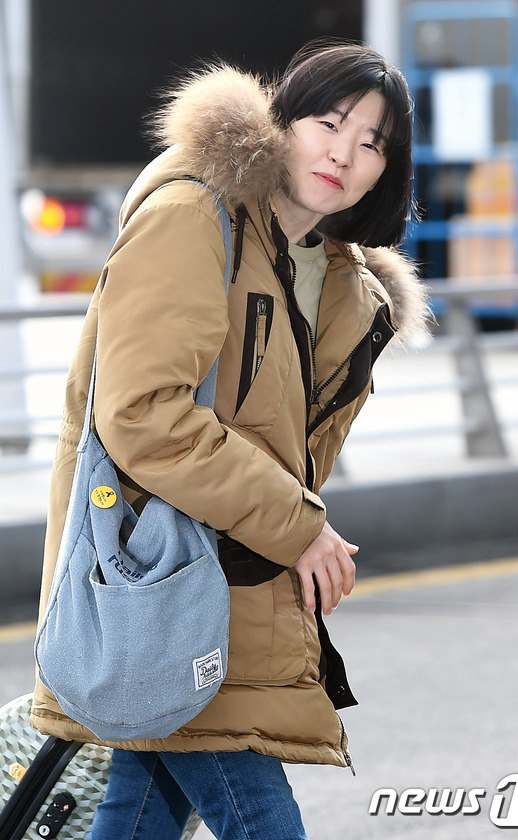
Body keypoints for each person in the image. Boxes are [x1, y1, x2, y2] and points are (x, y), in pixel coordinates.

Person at [30, 36, 432, 840]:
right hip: (159, 576)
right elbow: (143, 414)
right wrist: (299, 525)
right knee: (260, 820)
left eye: (372, 144)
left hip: (227, 589)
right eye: (329, 123)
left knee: (138, 812)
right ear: (283, 119)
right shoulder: (193, 216)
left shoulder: (339, 283)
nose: (343, 153)